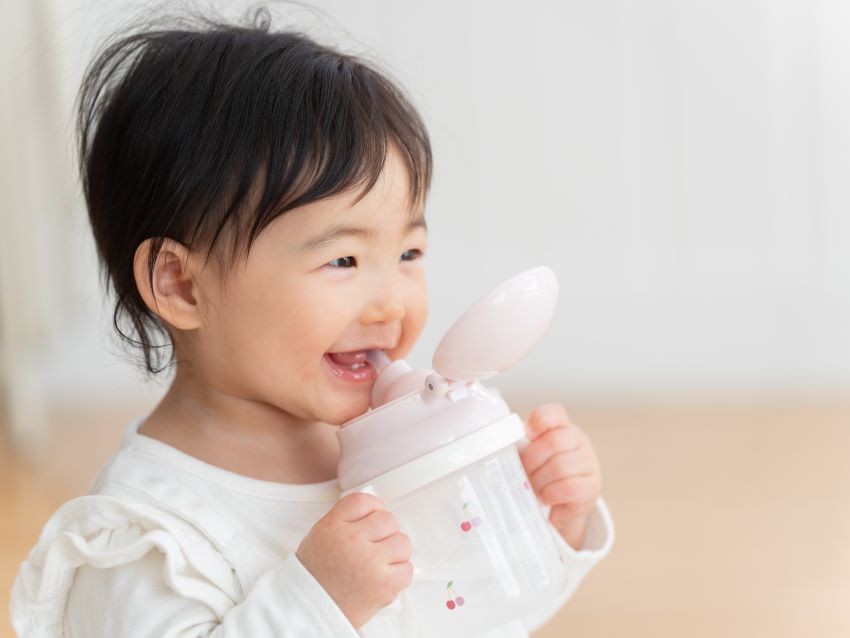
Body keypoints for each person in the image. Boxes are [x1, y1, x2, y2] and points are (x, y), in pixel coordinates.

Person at [11, 9, 614, 637]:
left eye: (408, 254)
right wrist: (316, 603)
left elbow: (468, 612)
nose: (391, 305)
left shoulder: (385, 453)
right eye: (343, 259)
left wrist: (548, 521)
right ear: (182, 284)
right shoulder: (148, 536)